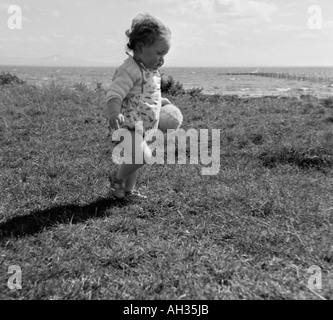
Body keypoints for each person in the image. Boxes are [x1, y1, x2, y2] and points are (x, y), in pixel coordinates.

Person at [105, 13, 172, 199]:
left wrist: (161, 104)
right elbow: (115, 93)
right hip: (128, 126)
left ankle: (128, 191)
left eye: (165, 54)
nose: (162, 59)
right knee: (143, 156)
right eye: (159, 53)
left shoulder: (151, 71)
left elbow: (150, 95)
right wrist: (113, 112)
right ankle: (116, 178)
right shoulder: (130, 69)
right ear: (141, 47)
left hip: (143, 127)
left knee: (133, 160)